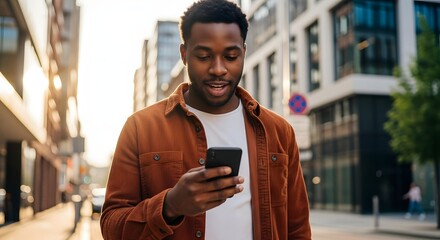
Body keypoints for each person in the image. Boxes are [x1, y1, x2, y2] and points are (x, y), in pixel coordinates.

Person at [100, 0, 311, 239]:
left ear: (244, 52)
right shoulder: (140, 127)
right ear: (184, 54)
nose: (218, 69)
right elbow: (111, 227)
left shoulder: (279, 131)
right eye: (203, 56)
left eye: (231, 56)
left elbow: (298, 228)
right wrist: (170, 206)